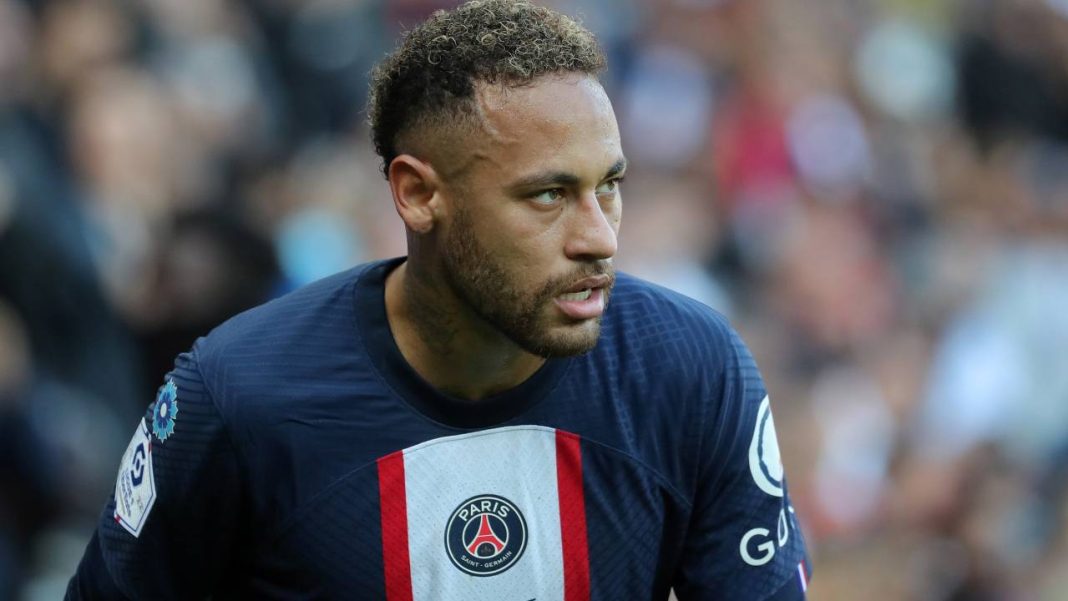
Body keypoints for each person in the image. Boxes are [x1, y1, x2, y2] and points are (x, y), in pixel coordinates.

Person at [66, 1, 810, 598]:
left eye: (608, 186)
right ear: (418, 194)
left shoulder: (691, 370)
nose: (599, 237)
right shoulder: (238, 395)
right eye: (548, 194)